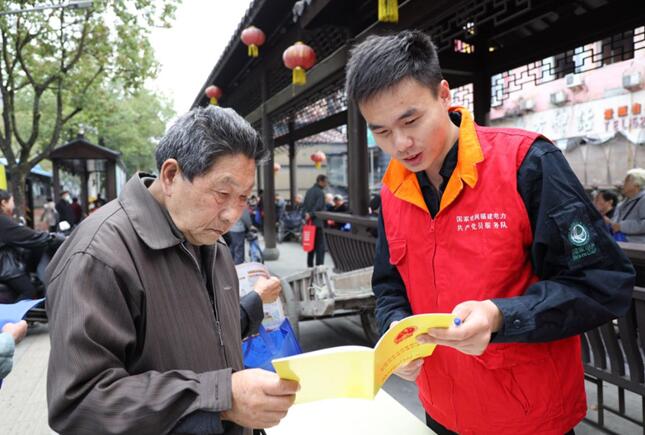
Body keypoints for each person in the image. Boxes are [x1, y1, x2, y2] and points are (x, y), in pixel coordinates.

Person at [346, 30, 634, 435]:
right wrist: (397, 327)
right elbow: (390, 283)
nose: (402, 144)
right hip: (442, 408)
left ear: (444, 95)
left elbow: (604, 283)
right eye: (381, 132)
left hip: (529, 416)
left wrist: (502, 317)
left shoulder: (526, 162)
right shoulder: (394, 189)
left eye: (410, 120)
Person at [45, 106, 298, 435]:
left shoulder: (212, 244)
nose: (232, 215)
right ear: (170, 176)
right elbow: (80, 401)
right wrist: (222, 398)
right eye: (222, 194)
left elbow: (205, 332)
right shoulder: (98, 256)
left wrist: (253, 305)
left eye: (244, 198)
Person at [0, 190, 64, 301]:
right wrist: (53, 237)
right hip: (5, 266)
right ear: (4, 202)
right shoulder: (2, 220)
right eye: (12, 201)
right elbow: (29, 236)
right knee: (28, 291)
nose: (13, 204)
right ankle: (15, 317)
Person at [607, 168, 645, 243]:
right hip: (623, 241)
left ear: (637, 184)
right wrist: (611, 223)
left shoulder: (643, 199)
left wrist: (621, 226)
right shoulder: (625, 201)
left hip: (637, 246)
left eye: (626, 181)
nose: (623, 184)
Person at [302, 174, 328, 267]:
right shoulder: (320, 193)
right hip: (318, 222)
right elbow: (319, 206)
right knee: (320, 247)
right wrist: (311, 214)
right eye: (325, 182)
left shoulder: (309, 191)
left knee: (310, 246)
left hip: (309, 223)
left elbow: (304, 205)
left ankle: (310, 267)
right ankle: (319, 267)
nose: (326, 184)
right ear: (320, 181)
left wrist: (306, 215)